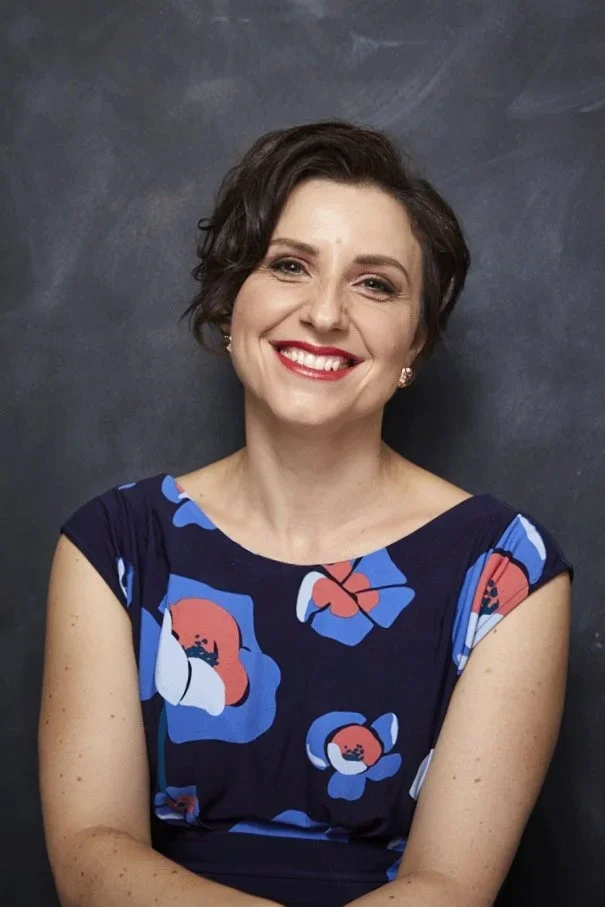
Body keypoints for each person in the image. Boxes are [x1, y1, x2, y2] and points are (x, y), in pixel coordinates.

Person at [38, 120, 574, 907]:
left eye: (374, 284)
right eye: (289, 265)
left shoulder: (506, 570)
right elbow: (90, 859)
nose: (325, 313)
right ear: (230, 303)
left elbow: (450, 886)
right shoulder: (112, 546)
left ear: (414, 343)